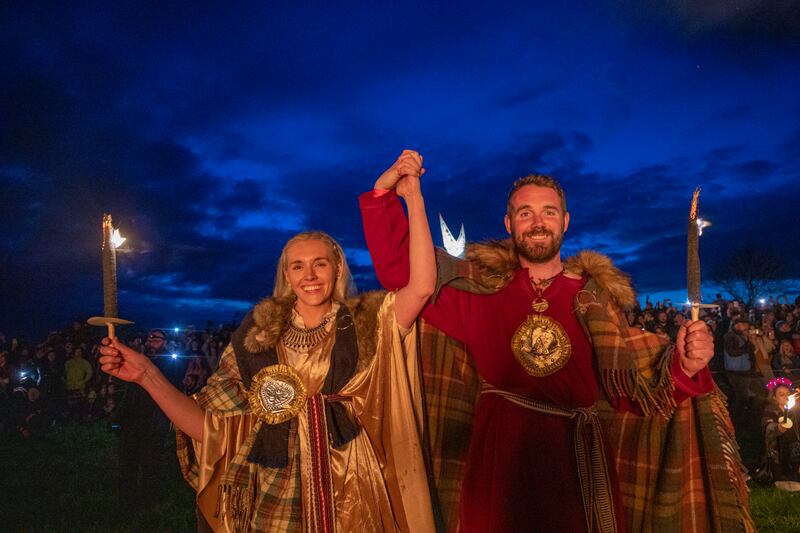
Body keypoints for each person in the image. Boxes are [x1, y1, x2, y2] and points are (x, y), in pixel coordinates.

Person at [360, 157, 753, 532]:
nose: (537, 222)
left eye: (548, 212)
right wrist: (386, 193)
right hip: (499, 467)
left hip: (576, 468)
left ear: (564, 221)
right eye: (524, 212)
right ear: (509, 223)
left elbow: (632, 391)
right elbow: (403, 271)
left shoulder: (595, 301)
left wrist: (685, 364)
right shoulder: (480, 293)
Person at [100, 153, 437, 532]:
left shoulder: (364, 323)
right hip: (277, 495)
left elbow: (422, 287)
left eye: (320, 263)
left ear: (338, 268)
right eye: (297, 266)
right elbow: (209, 428)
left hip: (352, 491)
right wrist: (147, 374)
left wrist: (412, 198)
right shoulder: (256, 337)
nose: (309, 275)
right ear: (286, 275)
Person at [114, 329, 183, 508]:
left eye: (157, 338)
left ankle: (150, 501)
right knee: (127, 460)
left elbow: (171, 382)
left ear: (165, 342)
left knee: (151, 461)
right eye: (150, 337)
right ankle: (127, 501)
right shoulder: (141, 358)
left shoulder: (170, 361)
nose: (151, 340)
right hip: (132, 417)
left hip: (153, 418)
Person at [762, 377, 800, 491]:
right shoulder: (770, 411)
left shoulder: (795, 411)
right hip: (777, 453)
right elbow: (768, 428)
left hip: (795, 449)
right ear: (774, 397)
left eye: (788, 393)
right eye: (781, 394)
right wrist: (778, 428)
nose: (786, 396)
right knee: (783, 480)